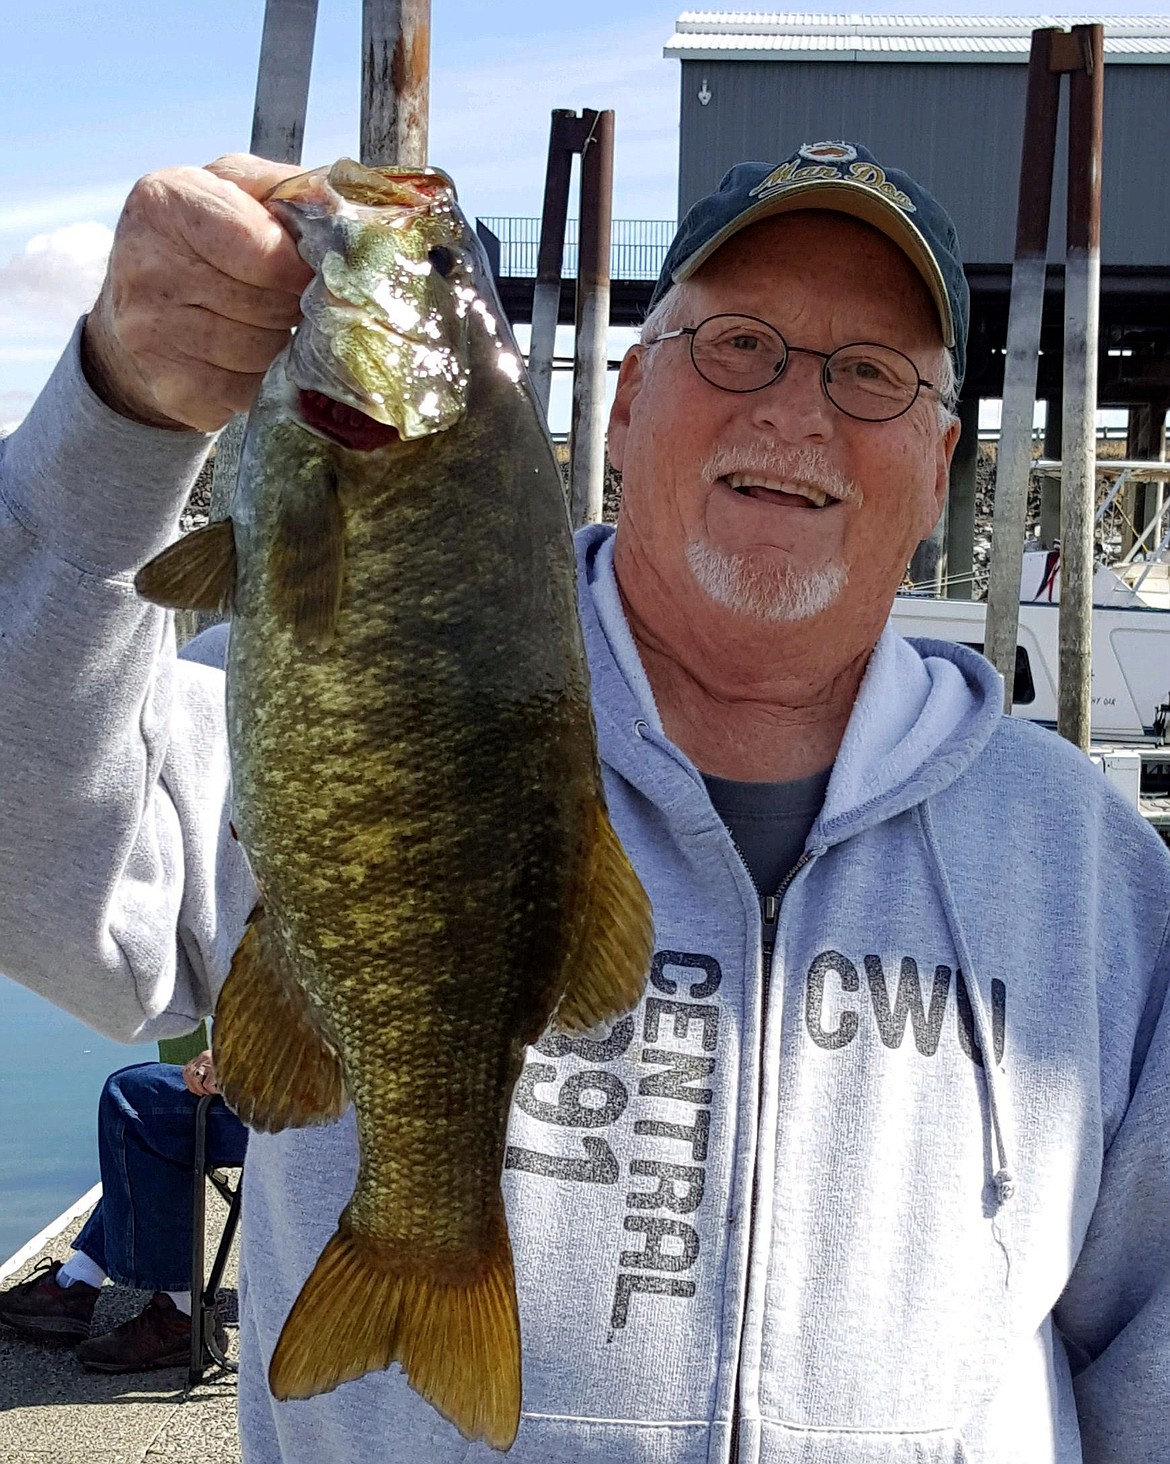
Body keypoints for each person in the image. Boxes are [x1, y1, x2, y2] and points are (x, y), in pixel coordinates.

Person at [0, 138, 1166, 1463]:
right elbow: (28, 861)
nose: (794, 411)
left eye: (869, 373)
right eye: (737, 343)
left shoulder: (1087, 869)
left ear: (938, 460)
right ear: (622, 406)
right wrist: (117, 416)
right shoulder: (370, 673)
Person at [0, 1049, 247, 1371]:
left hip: (310, 1119)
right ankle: (73, 1283)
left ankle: (182, 1315)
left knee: (132, 1096)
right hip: (324, 1113)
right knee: (154, 1110)